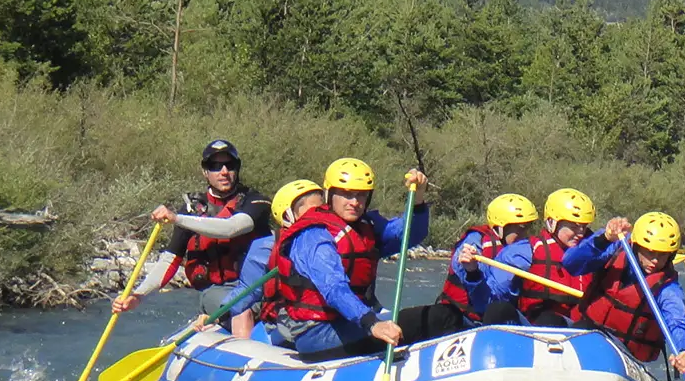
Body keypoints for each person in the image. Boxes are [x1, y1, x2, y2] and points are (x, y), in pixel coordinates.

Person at [261, 157, 444, 360]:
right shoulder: (313, 235)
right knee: (414, 322)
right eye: (347, 195)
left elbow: (409, 234)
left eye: (361, 196)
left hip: (351, 324)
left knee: (440, 316)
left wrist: (417, 200)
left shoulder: (367, 227)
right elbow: (334, 288)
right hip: (317, 333)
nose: (355, 202)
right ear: (330, 195)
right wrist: (372, 323)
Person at [114, 139, 271, 318]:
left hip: (257, 285)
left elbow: (232, 228)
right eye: (216, 166)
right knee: (241, 311)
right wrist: (138, 296)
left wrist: (177, 218)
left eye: (230, 165)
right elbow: (170, 260)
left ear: (237, 168)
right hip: (218, 290)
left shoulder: (256, 201)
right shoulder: (191, 209)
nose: (224, 172)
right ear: (205, 171)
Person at [563, 212, 685, 374]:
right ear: (635, 246)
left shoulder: (668, 289)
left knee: (585, 330)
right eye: (649, 252)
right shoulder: (614, 248)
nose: (655, 260)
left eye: (662, 254)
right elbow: (570, 264)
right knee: (549, 319)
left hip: (624, 356)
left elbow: (678, 321)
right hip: (583, 333)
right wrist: (604, 238)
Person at [224, 179, 323, 339]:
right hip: (280, 326)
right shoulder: (266, 247)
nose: (321, 218)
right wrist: (222, 313)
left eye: (324, 211)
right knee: (242, 313)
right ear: (288, 215)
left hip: (323, 321)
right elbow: (246, 291)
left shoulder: (335, 242)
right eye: (314, 213)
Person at [447, 193, 538, 325]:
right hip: (468, 318)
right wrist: (472, 271)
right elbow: (481, 293)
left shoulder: (517, 251)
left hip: (501, 315)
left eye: (527, 227)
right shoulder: (474, 243)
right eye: (520, 228)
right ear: (500, 227)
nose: (524, 235)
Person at [518, 188, 596, 326]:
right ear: (552, 223)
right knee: (549, 320)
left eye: (584, 227)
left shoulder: (596, 253)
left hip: (576, 327)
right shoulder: (525, 251)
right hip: (535, 325)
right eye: (574, 226)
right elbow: (498, 290)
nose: (580, 233)